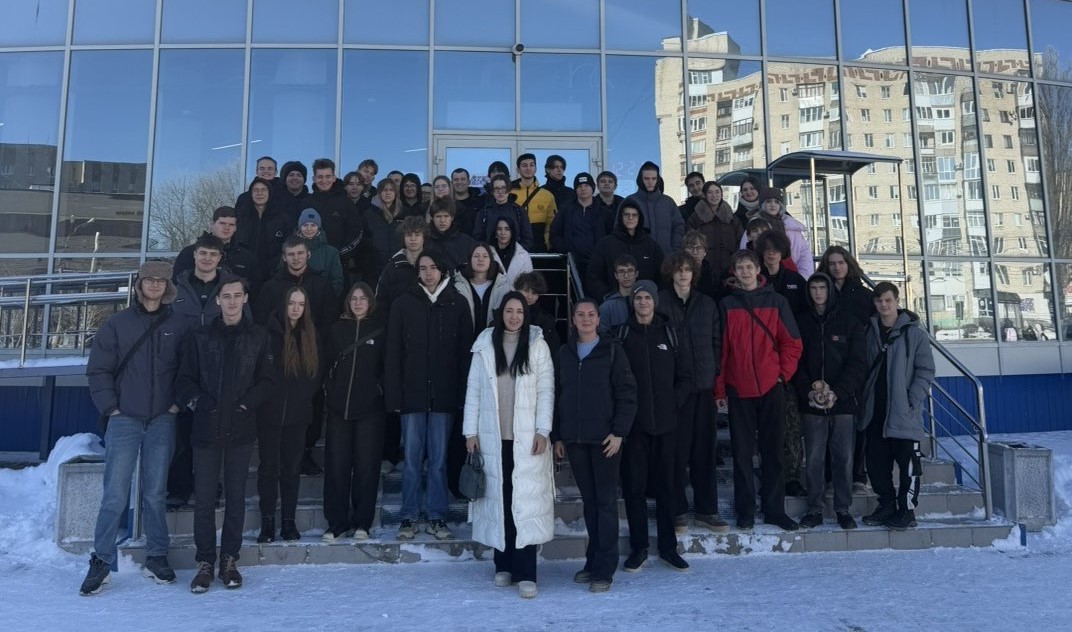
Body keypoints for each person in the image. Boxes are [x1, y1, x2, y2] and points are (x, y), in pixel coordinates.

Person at [81, 261, 190, 596]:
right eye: (149, 279)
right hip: (124, 419)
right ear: (139, 285)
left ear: (168, 287)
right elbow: (98, 370)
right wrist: (111, 408)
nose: (155, 284)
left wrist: (176, 404)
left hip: (162, 419)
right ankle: (101, 560)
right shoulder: (117, 324)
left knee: (155, 493)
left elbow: (188, 371)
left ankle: (157, 555)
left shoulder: (179, 325)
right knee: (115, 494)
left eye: (161, 280)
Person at [176, 274, 273, 593]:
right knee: (204, 500)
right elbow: (184, 380)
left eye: (237, 295)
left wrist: (246, 404)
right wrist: (202, 403)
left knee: (235, 498)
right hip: (206, 429)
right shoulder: (200, 336)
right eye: (226, 296)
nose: (232, 301)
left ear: (245, 298)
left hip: (241, 430)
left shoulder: (258, 337)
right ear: (217, 301)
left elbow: (267, 380)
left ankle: (229, 560)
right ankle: (205, 562)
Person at [463, 292, 555, 599]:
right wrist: (470, 432)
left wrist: (543, 430)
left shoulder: (537, 345)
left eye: (519, 311)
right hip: (493, 437)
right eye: (509, 311)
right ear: (501, 313)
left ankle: (526, 571)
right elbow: (473, 390)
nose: (514, 316)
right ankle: (502, 564)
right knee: (499, 501)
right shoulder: (485, 344)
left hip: (527, 440)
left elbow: (546, 390)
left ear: (525, 315)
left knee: (524, 504)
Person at [385, 252, 474, 541]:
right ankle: (408, 516)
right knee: (411, 460)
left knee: (438, 460)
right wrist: (394, 395)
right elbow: (393, 353)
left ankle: (437, 516)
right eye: (422, 268)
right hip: (411, 395)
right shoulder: (403, 304)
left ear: (442, 270)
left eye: (433, 267)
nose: (428, 272)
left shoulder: (457, 303)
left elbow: (465, 355)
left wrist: (463, 395)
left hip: (444, 396)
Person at [714, 249, 802, 531]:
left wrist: (781, 375)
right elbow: (721, 351)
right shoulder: (727, 305)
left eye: (749, 267)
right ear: (735, 272)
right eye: (740, 268)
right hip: (739, 388)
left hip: (770, 387)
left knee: (773, 452)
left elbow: (792, 343)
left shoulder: (777, 302)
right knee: (741, 454)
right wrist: (720, 388)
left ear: (758, 269)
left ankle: (775, 509)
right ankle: (746, 511)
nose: (745, 272)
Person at [553, 299, 637, 593]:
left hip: (605, 441)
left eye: (591, 314)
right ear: (573, 319)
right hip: (575, 440)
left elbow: (627, 393)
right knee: (590, 504)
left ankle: (604, 568)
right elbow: (557, 394)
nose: (586, 319)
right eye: (581, 315)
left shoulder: (612, 350)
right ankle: (592, 561)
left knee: (605, 503)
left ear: (598, 319)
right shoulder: (564, 353)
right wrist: (558, 436)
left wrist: (619, 433)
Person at [615, 281, 692, 572]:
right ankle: (639, 548)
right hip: (635, 427)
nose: (643, 302)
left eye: (648, 297)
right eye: (639, 298)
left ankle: (668, 547)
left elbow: (686, 376)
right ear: (633, 302)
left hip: (667, 425)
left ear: (655, 301)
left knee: (666, 487)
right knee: (634, 488)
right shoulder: (621, 335)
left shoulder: (670, 333)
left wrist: (673, 402)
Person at [657, 252, 728, 533]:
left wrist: (715, 373)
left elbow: (717, 342)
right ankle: (677, 510)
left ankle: (706, 510)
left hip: (704, 388)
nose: (684, 274)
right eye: (679, 269)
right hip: (675, 390)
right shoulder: (661, 301)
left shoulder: (707, 303)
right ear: (671, 273)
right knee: (676, 453)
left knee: (705, 452)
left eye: (688, 269)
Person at [858, 282, 935, 531]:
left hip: (903, 411)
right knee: (876, 464)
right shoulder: (869, 332)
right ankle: (887, 505)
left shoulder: (914, 334)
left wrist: (913, 399)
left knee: (908, 464)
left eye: (888, 300)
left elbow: (926, 370)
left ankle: (907, 510)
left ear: (897, 301)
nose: (884, 305)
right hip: (875, 411)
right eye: (879, 301)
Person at [794, 273, 867, 530]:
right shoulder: (801, 322)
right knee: (814, 458)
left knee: (843, 458)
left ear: (830, 291)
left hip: (843, 404)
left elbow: (858, 363)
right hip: (812, 404)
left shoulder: (849, 322)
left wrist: (838, 392)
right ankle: (814, 508)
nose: (818, 292)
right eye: (813, 288)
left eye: (822, 287)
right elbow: (795, 361)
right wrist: (808, 391)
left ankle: (842, 508)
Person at [256, 286, 322, 544]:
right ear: (284, 304)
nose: (296, 308)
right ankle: (267, 523)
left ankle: (288, 522)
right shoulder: (267, 334)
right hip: (269, 414)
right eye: (292, 303)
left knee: (292, 470)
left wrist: (303, 397)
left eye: (301, 304)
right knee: (268, 469)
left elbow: (315, 374)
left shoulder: (311, 335)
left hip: (298, 415)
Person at [322, 282, 387, 541]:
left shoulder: (380, 330)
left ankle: (362, 521)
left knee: (366, 466)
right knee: (336, 466)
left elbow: (387, 365)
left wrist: (379, 390)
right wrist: (330, 390)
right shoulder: (336, 330)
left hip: (370, 409)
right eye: (354, 299)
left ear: (370, 302)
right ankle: (337, 522)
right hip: (339, 408)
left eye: (363, 298)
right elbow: (326, 363)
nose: (358, 303)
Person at [169, 235, 227, 510]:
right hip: (181, 370)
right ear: (194, 255)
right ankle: (178, 489)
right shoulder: (176, 289)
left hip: (216, 373)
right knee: (181, 435)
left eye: (213, 254)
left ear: (220, 259)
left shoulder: (229, 288)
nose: (207, 258)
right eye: (203, 253)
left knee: (211, 436)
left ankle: (209, 488)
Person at [754, 231, 808, 498]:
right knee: (764, 427)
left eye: (775, 249)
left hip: (789, 363)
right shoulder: (755, 282)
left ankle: (792, 476)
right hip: (761, 361)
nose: (771, 253)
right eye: (766, 249)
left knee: (790, 425)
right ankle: (767, 473)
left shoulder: (795, 282)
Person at [586, 200, 663, 302]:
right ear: (620, 217)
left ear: (639, 218)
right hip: (614, 302)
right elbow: (593, 276)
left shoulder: (651, 245)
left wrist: (653, 296)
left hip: (644, 304)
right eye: (626, 214)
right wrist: (607, 296)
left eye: (634, 215)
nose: (630, 218)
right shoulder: (606, 244)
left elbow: (662, 275)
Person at [256, 236, 337, 332]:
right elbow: (262, 320)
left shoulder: (322, 285)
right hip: (278, 339)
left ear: (308, 254)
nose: (296, 258)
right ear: (284, 257)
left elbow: (330, 318)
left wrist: (315, 336)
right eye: (291, 254)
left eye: (300, 253)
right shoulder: (270, 287)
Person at [173, 206, 260, 293]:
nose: (226, 228)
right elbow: (177, 283)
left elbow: (255, 288)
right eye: (222, 223)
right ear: (212, 224)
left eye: (231, 224)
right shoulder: (190, 252)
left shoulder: (246, 257)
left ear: (236, 228)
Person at [549, 172, 613, 283]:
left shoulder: (605, 212)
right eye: (579, 186)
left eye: (586, 185)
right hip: (572, 263)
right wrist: (566, 250)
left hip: (597, 264)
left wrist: (603, 254)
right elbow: (555, 233)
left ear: (593, 188)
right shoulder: (565, 210)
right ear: (575, 189)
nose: (583, 189)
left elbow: (611, 236)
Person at [738, 187, 813, 277]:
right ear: (763, 204)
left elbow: (804, 255)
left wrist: (803, 278)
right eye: (768, 201)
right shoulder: (754, 226)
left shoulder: (792, 226)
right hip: (761, 277)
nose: (773, 205)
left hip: (792, 277)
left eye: (776, 202)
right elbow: (745, 253)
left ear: (781, 205)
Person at [235, 177, 291, 283]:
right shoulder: (240, 217)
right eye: (255, 190)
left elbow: (287, 246)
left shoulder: (282, 219)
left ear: (270, 193)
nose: (259, 193)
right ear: (250, 194)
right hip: (242, 273)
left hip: (272, 275)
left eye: (263, 190)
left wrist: (278, 267)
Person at [308, 158, 362, 263]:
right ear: (314, 178)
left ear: (334, 178)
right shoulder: (306, 203)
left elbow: (356, 232)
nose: (324, 180)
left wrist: (340, 254)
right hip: (309, 263)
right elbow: (298, 232)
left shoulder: (346, 203)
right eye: (320, 177)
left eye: (328, 176)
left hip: (338, 262)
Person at [626, 161, 683, 255]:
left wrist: (675, 250)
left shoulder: (668, 202)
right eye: (646, 178)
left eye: (653, 178)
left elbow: (678, 226)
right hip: (637, 258)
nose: (650, 182)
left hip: (666, 257)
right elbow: (621, 230)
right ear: (640, 179)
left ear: (658, 179)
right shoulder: (630, 202)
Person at [687, 182, 743, 277]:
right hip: (703, 269)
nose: (714, 195)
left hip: (728, 268)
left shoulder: (731, 218)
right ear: (704, 195)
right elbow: (689, 242)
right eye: (710, 192)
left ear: (721, 194)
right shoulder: (695, 218)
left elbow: (740, 241)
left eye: (717, 192)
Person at [455, 242, 512, 334]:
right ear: (470, 260)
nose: (480, 259)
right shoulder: (458, 286)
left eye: (485, 256)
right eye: (476, 256)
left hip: (493, 339)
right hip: (464, 339)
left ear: (490, 260)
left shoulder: (503, 286)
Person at [360, 178, 405, 285]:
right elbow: (362, 243)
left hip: (398, 268)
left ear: (396, 193)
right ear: (379, 193)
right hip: (373, 270)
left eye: (391, 190)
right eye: (384, 190)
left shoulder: (404, 215)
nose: (388, 193)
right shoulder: (368, 215)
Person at [375, 216, 427, 308]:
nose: (413, 239)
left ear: (424, 237)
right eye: (409, 235)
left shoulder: (435, 264)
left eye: (417, 234)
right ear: (403, 238)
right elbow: (381, 300)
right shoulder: (392, 267)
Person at [817, 245, 874, 328]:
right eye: (832, 264)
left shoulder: (866, 295)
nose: (837, 268)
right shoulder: (819, 294)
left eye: (841, 263)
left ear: (848, 264)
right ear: (826, 267)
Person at [510, 154, 558, 253]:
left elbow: (552, 224)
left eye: (531, 165)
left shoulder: (547, 195)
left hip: (540, 249)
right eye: (524, 165)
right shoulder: (509, 194)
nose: (528, 168)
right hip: (515, 249)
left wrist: (547, 245)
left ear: (536, 168)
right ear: (518, 170)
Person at [474, 173, 534, 250]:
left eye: (503, 188)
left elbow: (527, 238)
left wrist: (517, 252)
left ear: (508, 189)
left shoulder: (518, 210)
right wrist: (487, 252)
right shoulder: (484, 212)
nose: (500, 191)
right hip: (490, 255)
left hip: (515, 254)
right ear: (492, 191)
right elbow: (477, 237)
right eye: (496, 188)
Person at [295, 208, 345, 297]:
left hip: (323, 300)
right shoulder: (290, 249)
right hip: (295, 301)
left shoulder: (331, 252)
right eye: (305, 225)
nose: (309, 229)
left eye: (313, 225)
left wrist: (326, 299)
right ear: (300, 227)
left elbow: (337, 281)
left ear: (319, 227)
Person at [514, 271, 562, 363]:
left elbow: (554, 355)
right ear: (517, 290)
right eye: (526, 290)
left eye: (534, 293)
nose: (530, 296)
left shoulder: (546, 322)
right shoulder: (503, 316)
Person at [425, 195, 476, 274]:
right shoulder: (425, 241)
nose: (442, 220)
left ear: (452, 218)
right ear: (432, 218)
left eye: (446, 216)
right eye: (438, 216)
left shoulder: (467, 242)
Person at [597, 254, 638, 334]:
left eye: (630, 270)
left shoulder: (646, 303)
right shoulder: (606, 308)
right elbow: (602, 337)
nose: (626, 275)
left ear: (636, 273)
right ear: (616, 275)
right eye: (621, 271)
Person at [491, 216, 534, 286]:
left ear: (512, 232)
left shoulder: (524, 255)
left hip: (517, 293)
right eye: (499, 229)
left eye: (507, 229)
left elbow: (529, 283)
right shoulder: (487, 254)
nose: (503, 233)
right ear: (495, 233)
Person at [450, 167, 481, 235]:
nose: (459, 182)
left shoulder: (480, 202)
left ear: (469, 182)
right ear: (451, 183)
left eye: (463, 179)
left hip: (475, 240)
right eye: (456, 180)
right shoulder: (447, 204)